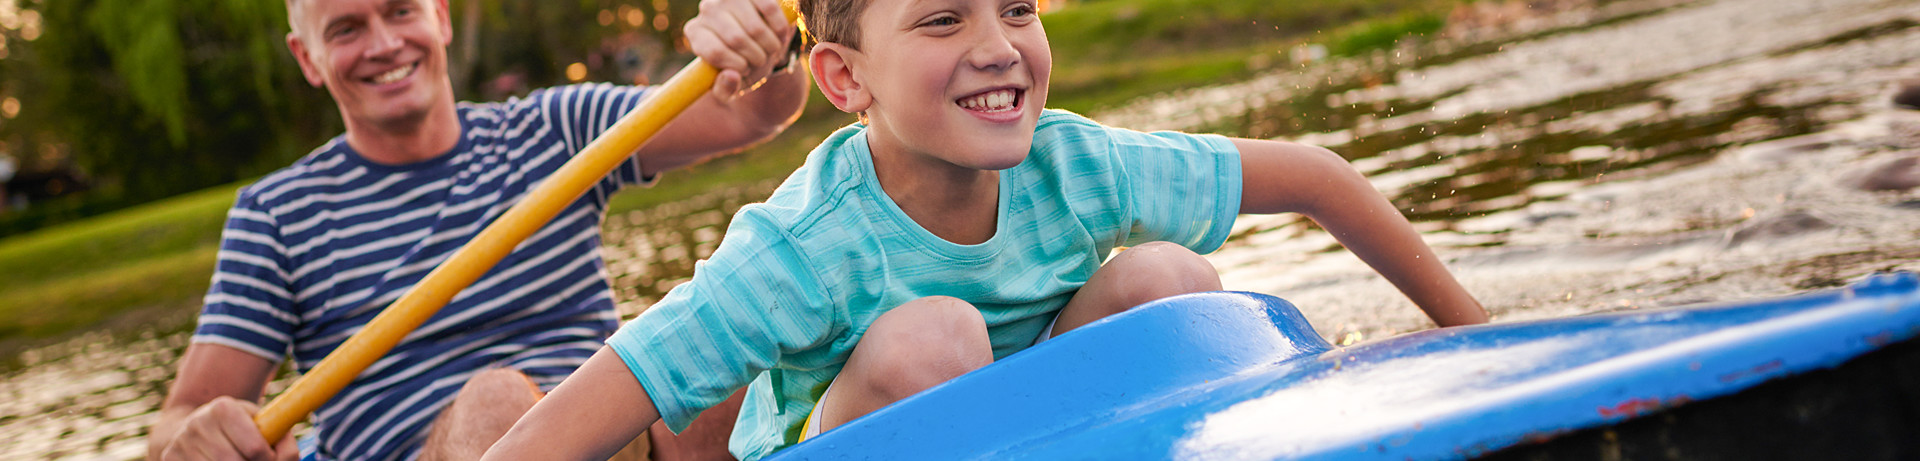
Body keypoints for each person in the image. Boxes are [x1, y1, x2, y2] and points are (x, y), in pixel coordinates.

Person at [483, 0, 1491, 459]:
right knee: (937, 337)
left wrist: (1468, 331)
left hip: (1047, 426)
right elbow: (585, 412)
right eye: (942, 20)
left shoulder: (1078, 162)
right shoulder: (800, 249)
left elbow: (1317, 176)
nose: (998, 47)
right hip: (844, 439)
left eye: (1017, 7)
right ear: (846, 80)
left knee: (1166, 277)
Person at [146, 0, 807, 459]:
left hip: (615, 437)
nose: (382, 44)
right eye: (346, 28)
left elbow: (746, 117)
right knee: (494, 403)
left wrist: (767, 49)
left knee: (726, 337)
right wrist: (198, 436)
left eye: (400, 11)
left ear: (438, 17)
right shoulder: (276, 216)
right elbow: (180, 420)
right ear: (308, 57)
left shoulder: (550, 130)